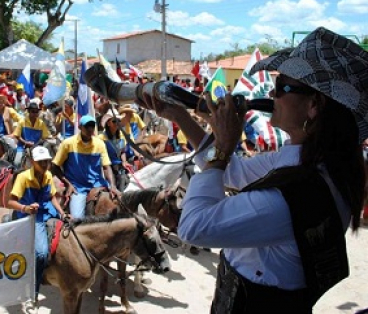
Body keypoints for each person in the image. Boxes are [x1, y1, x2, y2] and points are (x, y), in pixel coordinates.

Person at [137, 27, 367, 313]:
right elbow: (232, 172)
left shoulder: (294, 195)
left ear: (314, 106)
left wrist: (223, 144)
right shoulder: (307, 164)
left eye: (282, 86)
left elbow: (194, 227)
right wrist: (181, 116)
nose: (272, 92)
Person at [8, 146, 66, 300]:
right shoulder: (23, 177)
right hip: (32, 216)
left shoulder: (47, 175)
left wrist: (62, 213)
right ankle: (33, 288)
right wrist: (25, 208)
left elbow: (52, 197)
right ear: (33, 162)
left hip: (48, 211)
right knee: (41, 253)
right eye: (41, 162)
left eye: (47, 161)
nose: (45, 164)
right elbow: (11, 202)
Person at [52, 115, 118, 219]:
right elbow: (54, 166)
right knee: (77, 218)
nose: (90, 129)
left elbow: (106, 167)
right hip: (78, 188)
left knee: (118, 210)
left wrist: (113, 186)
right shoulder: (68, 143)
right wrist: (68, 184)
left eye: (92, 126)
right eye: (87, 126)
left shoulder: (100, 144)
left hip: (98, 185)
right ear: (80, 127)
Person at [98, 110, 133, 192]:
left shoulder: (121, 135)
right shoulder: (100, 138)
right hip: (107, 168)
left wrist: (124, 161)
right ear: (108, 123)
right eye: (114, 121)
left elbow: (123, 151)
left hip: (120, 167)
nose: (117, 123)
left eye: (118, 121)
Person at [13, 102, 50, 166]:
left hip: (37, 147)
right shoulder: (22, 121)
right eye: (33, 111)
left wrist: (37, 144)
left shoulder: (41, 123)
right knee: (17, 162)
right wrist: (26, 142)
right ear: (28, 111)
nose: (35, 114)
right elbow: (17, 135)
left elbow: (45, 137)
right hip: (23, 147)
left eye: (36, 112)